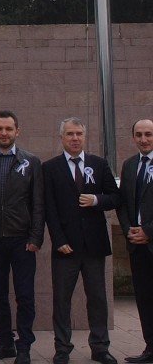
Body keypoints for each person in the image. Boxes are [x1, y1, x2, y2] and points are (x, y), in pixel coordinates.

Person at [43, 118, 120, 364]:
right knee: (62, 300)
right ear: (61, 137)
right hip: (65, 247)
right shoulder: (50, 168)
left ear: (84, 137)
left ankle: (100, 347)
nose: (75, 138)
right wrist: (58, 240)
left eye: (79, 134)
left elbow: (115, 197)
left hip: (94, 246)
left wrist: (96, 200)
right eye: (70, 134)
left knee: (97, 298)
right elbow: (49, 209)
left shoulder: (98, 164)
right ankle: (62, 348)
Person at [0, 112, 44, 364]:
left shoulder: (31, 161)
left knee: (24, 295)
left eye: (8, 129)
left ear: (18, 131)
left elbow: (38, 203)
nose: (4, 133)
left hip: (22, 240)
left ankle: (24, 345)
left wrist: (36, 236)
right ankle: (5, 343)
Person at [118, 119, 153, 364]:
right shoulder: (129, 166)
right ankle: (150, 347)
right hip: (137, 246)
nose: (144, 139)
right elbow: (122, 204)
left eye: (149, 134)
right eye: (139, 135)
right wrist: (130, 230)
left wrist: (149, 231)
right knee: (144, 298)